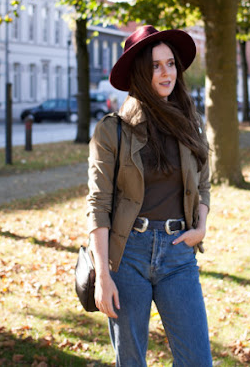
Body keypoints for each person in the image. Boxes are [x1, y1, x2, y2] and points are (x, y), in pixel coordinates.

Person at [86, 25, 212, 366]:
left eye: (170, 63)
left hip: (178, 253)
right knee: (131, 361)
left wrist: (200, 228)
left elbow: (203, 184)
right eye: (156, 65)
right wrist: (103, 276)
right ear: (141, 71)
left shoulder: (191, 123)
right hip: (128, 255)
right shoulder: (112, 130)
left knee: (197, 360)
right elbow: (98, 205)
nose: (166, 72)